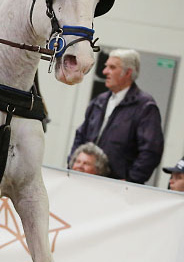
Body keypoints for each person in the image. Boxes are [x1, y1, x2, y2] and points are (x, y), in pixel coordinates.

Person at [70, 49, 164, 183]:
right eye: (106, 66)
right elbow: (80, 135)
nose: (105, 72)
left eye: (112, 67)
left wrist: (131, 181)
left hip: (117, 187)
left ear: (128, 72)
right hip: (85, 180)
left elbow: (151, 151)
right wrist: (72, 164)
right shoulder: (99, 101)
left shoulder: (145, 106)